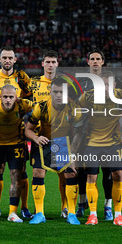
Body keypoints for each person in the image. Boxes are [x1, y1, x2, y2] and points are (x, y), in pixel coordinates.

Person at [0, 45, 32, 218]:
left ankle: (22, 207)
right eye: (5, 58)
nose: (7, 60)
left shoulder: (22, 77)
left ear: (15, 60)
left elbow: (33, 95)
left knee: (20, 173)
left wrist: (21, 106)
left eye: (11, 58)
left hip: (17, 134)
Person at [25, 78, 83, 225]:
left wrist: (74, 153)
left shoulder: (73, 108)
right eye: (55, 92)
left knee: (70, 173)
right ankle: (39, 213)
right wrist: (36, 138)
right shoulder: (41, 107)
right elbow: (28, 129)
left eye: (61, 92)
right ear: (50, 92)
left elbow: (79, 132)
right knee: (37, 172)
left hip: (64, 144)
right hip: (44, 143)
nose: (58, 95)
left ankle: (71, 213)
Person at [78, 72, 122, 226]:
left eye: (109, 84)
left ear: (114, 86)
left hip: (113, 143)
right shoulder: (88, 96)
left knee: (117, 176)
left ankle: (118, 215)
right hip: (92, 143)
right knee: (91, 177)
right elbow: (75, 109)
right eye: (102, 84)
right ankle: (92, 215)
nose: (105, 88)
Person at [28, 50, 69, 218]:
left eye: (53, 62)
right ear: (42, 64)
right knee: (38, 172)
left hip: (61, 135)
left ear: (57, 64)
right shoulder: (33, 82)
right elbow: (16, 94)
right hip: (40, 134)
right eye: (48, 62)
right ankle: (38, 212)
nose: (51, 65)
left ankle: (65, 208)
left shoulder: (65, 82)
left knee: (64, 174)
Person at [76, 50, 114, 221]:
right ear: (88, 61)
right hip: (83, 133)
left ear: (103, 62)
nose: (95, 61)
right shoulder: (81, 83)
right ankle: (82, 204)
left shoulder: (110, 81)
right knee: (83, 171)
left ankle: (108, 206)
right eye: (92, 59)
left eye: (98, 59)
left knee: (108, 171)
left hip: (105, 132)